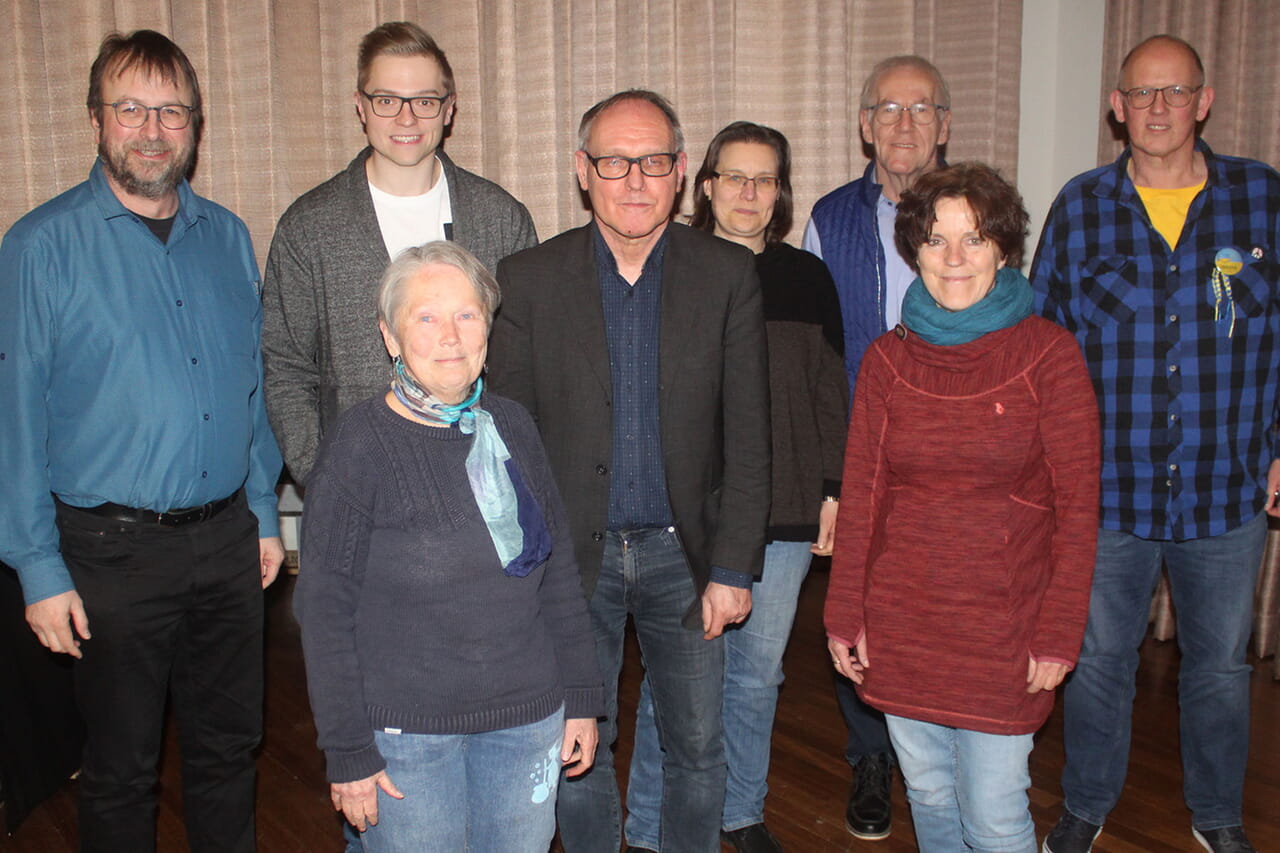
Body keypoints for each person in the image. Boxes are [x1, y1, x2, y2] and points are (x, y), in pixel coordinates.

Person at [0, 30, 283, 853]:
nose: (152, 130)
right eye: (131, 109)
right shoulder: (38, 247)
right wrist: (36, 567)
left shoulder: (228, 236)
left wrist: (263, 510)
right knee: (122, 770)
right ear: (97, 120)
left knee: (231, 748)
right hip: (108, 554)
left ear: (195, 126)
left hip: (228, 541)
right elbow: (13, 416)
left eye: (171, 111)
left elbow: (250, 389)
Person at [487, 90, 771, 853]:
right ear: (583, 171)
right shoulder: (528, 279)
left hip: (688, 554)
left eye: (653, 162)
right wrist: (529, 566)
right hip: (574, 554)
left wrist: (735, 564)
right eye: (615, 162)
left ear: (681, 173)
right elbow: (507, 439)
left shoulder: (728, 276)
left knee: (699, 746)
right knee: (578, 748)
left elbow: (749, 437)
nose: (635, 180)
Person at [1032, 34, 1280, 853]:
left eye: (1176, 93)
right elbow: (1044, 344)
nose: (1160, 108)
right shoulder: (1081, 205)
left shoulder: (1262, 199)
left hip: (1228, 484)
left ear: (1204, 102)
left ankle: (1217, 814)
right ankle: (1086, 804)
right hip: (1108, 491)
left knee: (1220, 668)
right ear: (1118, 107)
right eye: (1143, 94)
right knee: (1100, 662)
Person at [825, 162, 1101, 853]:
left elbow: (1078, 506)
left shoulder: (1048, 355)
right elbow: (863, 495)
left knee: (996, 814)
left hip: (1005, 628)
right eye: (936, 240)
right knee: (928, 795)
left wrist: (1059, 630)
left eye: (974, 240)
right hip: (905, 620)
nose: (954, 260)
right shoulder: (888, 361)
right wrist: (844, 612)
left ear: (1003, 250)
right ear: (913, 249)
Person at [294, 241, 603, 852]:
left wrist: (583, 699)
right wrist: (349, 750)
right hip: (407, 736)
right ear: (390, 336)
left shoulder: (513, 424)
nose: (451, 336)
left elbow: (558, 573)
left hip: (528, 716)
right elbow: (323, 612)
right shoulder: (360, 445)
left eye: (467, 315)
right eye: (426, 317)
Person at [625, 122, 847, 853]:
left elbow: (826, 389)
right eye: (735, 176)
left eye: (765, 179)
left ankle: (740, 811)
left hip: (783, 509)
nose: (749, 192)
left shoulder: (807, 277)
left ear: (780, 192)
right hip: (687, 513)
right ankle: (651, 826)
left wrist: (832, 489)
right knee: (676, 676)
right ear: (706, 184)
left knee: (756, 674)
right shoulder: (668, 268)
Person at [262, 21, 537, 483]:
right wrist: (326, 480)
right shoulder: (308, 228)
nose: (406, 120)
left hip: (482, 493)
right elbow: (286, 371)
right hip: (358, 490)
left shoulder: (502, 219)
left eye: (425, 102)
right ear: (360, 107)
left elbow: (525, 365)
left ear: (449, 110)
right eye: (387, 100)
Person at [802, 53, 952, 840]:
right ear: (864, 126)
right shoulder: (828, 217)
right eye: (887, 109)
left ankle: (944, 744)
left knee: (943, 609)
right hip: (867, 452)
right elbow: (819, 359)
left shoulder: (978, 211)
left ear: (944, 125)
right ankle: (871, 757)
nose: (903, 124)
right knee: (860, 608)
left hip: (957, 458)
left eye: (920, 108)